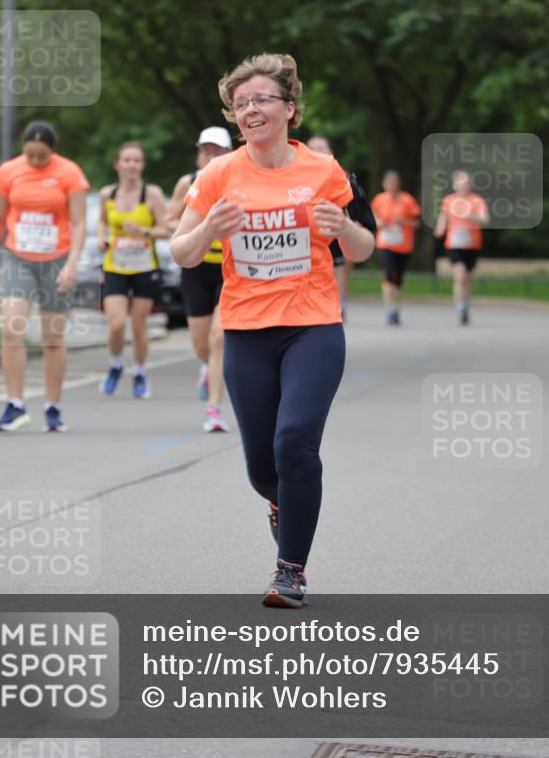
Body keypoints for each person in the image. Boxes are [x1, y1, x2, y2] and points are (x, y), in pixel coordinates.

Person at [171, 53, 374, 607]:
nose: (250, 110)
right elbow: (182, 252)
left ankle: (291, 571)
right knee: (264, 466)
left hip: (312, 325)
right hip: (246, 329)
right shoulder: (218, 174)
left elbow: (363, 248)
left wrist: (345, 227)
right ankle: (284, 505)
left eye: (261, 99)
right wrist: (208, 227)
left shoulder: (323, 171)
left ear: (289, 109)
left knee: (295, 442)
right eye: (241, 104)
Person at [0, 121, 88, 432]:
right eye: (30, 155)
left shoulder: (70, 173)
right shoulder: (8, 172)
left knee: (52, 338)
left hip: (57, 259)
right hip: (18, 257)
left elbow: (79, 223)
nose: (36, 161)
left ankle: (53, 407)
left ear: (52, 151)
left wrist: (72, 263)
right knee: (12, 329)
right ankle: (15, 405)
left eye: (42, 156)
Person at [166, 127, 232, 432]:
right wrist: (197, 226)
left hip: (229, 269)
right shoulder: (188, 182)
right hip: (195, 266)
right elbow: (168, 220)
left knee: (218, 338)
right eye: (206, 150)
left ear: (229, 153)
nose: (210, 156)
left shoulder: (239, 179)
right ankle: (206, 367)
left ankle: (214, 409)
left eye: (217, 151)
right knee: (200, 343)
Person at [98, 142, 168, 399]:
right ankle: (116, 363)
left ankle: (139, 371)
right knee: (116, 323)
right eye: (127, 160)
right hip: (115, 265)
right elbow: (102, 222)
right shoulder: (108, 194)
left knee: (138, 325)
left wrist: (144, 232)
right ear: (117, 164)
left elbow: (166, 229)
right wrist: (101, 237)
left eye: (137, 161)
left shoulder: (152, 194)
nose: (131, 165)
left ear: (142, 165)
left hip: (144, 266)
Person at [434, 170, 489, 324]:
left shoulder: (477, 200)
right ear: (454, 185)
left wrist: (473, 216)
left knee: (468, 278)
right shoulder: (449, 200)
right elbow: (443, 216)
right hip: (454, 244)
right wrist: (440, 228)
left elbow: (485, 219)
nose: (463, 186)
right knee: (460, 275)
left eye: (466, 183)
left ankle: (465, 304)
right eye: (460, 183)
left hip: (472, 244)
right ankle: (460, 308)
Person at [306, 136, 351, 318]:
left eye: (321, 147)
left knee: (340, 267)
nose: (317, 150)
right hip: (308, 231)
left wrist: (349, 224)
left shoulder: (338, 172)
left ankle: (340, 303)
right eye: (313, 147)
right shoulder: (296, 173)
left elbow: (349, 202)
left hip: (333, 227)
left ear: (330, 151)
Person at [371, 170, 421, 325]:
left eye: (394, 183)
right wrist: (379, 222)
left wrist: (404, 222)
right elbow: (372, 217)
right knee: (389, 273)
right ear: (384, 184)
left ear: (399, 185)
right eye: (389, 183)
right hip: (385, 243)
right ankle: (389, 309)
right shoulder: (379, 200)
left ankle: (395, 308)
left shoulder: (407, 200)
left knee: (398, 277)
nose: (392, 186)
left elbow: (417, 223)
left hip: (403, 245)